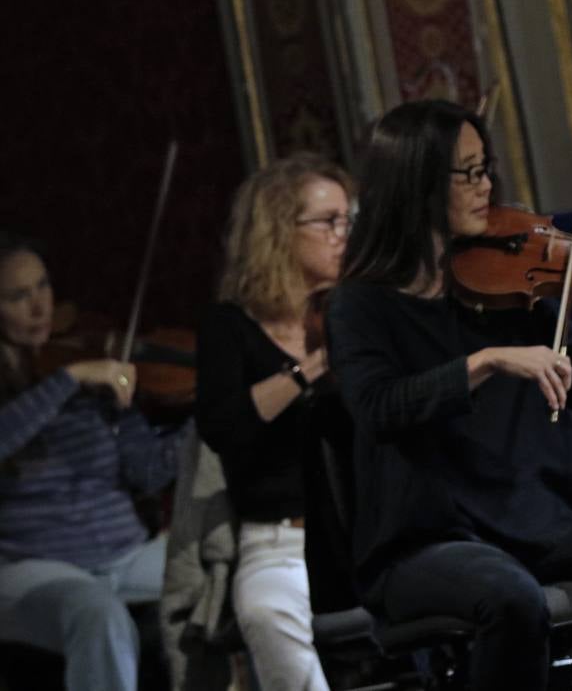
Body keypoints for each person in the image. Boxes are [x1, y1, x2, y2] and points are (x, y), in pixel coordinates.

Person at [324, 100, 572, 691]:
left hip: (544, 517)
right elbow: (380, 407)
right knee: (509, 597)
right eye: (468, 172)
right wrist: (484, 363)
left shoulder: (510, 283)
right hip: (428, 538)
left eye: (486, 167)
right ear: (418, 181)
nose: (487, 185)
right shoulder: (361, 305)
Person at [194, 153, 354, 690]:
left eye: (348, 219)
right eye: (328, 221)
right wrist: (309, 369)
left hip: (365, 529)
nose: (343, 234)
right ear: (279, 231)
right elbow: (224, 427)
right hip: (278, 542)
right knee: (266, 613)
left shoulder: (357, 310)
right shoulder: (229, 327)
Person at [0, 232, 180, 691]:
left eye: (42, 287)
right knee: (98, 612)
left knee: (220, 569)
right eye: (18, 296)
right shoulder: (65, 379)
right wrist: (69, 378)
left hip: (125, 553)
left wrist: (209, 422)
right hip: (31, 566)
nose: (40, 307)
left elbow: (147, 471)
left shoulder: (91, 375)